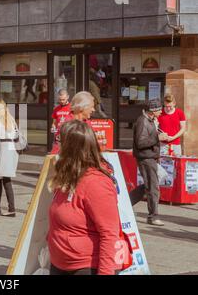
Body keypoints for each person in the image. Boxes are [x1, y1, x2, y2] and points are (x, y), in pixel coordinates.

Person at [48, 119, 131, 275]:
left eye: (60, 140)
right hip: (60, 263)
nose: (57, 146)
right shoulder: (69, 174)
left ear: (71, 148)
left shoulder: (96, 183)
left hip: (85, 267)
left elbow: (109, 233)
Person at [130, 99, 168, 226]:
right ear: (153, 111)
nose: (161, 112)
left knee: (151, 184)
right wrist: (158, 138)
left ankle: (125, 203)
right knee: (152, 187)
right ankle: (153, 216)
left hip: (149, 157)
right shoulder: (143, 121)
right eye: (159, 109)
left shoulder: (149, 120)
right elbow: (140, 143)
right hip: (145, 158)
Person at [0, 98, 19, 217]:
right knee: (6, 180)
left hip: (2, 151)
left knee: (0, 181)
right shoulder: (11, 119)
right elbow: (17, 134)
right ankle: (8, 207)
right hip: (11, 150)